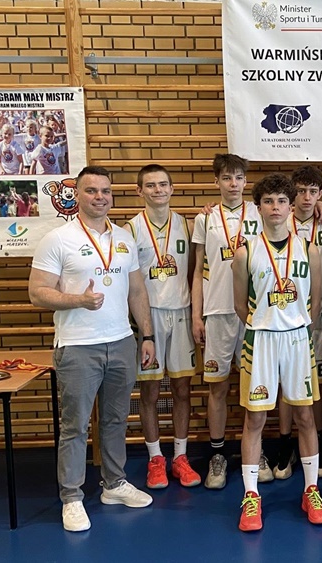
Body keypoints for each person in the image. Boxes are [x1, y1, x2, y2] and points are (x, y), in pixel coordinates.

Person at [28, 165, 155, 532]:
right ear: (77, 196)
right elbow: (37, 292)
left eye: (105, 191)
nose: (100, 197)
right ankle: (71, 497)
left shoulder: (124, 238)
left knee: (116, 420)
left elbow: (136, 291)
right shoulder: (58, 239)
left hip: (121, 341)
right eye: (91, 190)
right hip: (78, 346)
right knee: (75, 426)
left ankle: (114, 484)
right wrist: (77, 301)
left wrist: (146, 336)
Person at [231, 173, 322, 532]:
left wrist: (295, 323)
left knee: (305, 417)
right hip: (261, 339)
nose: (276, 207)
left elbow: (316, 301)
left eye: (282, 201)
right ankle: (251, 496)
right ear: (258, 207)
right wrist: (266, 323)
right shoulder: (245, 252)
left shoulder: (309, 249)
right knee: (255, 419)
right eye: (268, 201)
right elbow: (240, 304)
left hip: (297, 339)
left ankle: (311, 490)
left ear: (291, 207)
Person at [124, 164, 202, 490]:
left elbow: (195, 272)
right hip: (150, 316)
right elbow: (129, 284)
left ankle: (180, 457)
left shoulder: (188, 224)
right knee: (151, 392)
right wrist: (142, 328)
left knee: (183, 389)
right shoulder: (129, 230)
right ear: (139, 191)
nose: (158, 190)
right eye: (151, 185)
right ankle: (156, 459)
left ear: (172, 188)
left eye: (163, 184)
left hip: (181, 312)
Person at [191, 153, 263, 489]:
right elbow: (197, 272)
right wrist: (197, 315)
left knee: (255, 387)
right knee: (217, 387)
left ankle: (256, 452)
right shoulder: (204, 218)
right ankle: (217, 454)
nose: (233, 184)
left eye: (239, 178)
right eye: (227, 178)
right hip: (218, 311)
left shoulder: (260, 212)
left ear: (246, 182)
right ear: (216, 181)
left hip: (253, 313)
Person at [272, 165, 322, 480]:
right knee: (287, 382)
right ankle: (285, 444)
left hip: (317, 314)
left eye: (313, 192)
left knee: (316, 382)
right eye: (301, 191)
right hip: (285, 315)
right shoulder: (281, 220)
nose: (307, 197)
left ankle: (317, 444)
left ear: (320, 194)